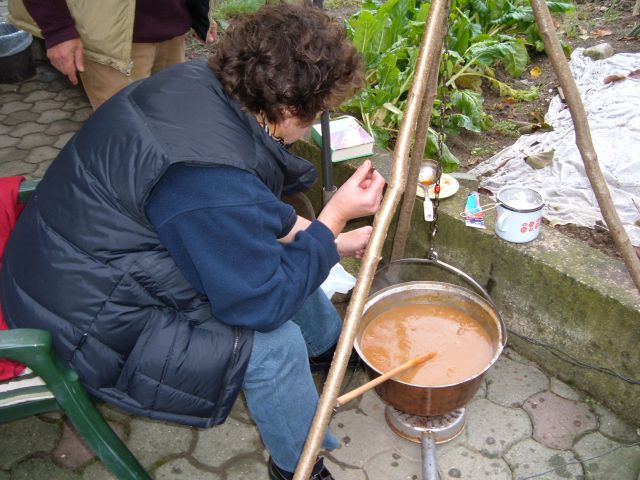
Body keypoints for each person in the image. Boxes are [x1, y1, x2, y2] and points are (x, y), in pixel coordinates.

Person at [0, 4, 385, 480]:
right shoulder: (204, 178)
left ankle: (327, 347)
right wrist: (331, 220)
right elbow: (258, 303)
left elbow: (246, 211)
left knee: (283, 256)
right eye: (320, 110)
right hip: (85, 312)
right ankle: (297, 468)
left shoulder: (205, 84)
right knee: (275, 345)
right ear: (287, 109)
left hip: (81, 254)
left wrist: (328, 239)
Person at [7, 0, 217, 109]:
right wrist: (58, 31)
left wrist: (200, 12)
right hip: (110, 41)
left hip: (173, 26)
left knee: (174, 116)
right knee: (126, 135)